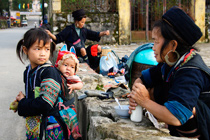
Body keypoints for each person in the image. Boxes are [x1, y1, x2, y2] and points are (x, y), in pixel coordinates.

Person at [128, 6, 210, 139]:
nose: (153, 48)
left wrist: (144, 101)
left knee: (183, 108)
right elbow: (143, 78)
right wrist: (137, 90)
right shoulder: (171, 62)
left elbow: (176, 117)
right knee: (156, 88)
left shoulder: (190, 72)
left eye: (156, 42)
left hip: (203, 126)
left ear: (172, 45)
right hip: (177, 125)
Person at [13, 28, 81, 140]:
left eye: (47, 49)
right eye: (38, 49)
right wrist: (23, 100)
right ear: (25, 50)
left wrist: (23, 103)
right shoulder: (28, 71)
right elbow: (36, 96)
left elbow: (45, 104)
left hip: (52, 128)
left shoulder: (49, 72)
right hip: (35, 126)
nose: (43, 54)